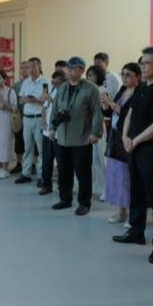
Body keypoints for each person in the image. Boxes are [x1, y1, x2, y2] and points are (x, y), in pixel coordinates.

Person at [113, 48, 153, 263]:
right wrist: (126, 137)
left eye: (147, 63)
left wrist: (136, 140)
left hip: (151, 149)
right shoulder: (141, 88)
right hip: (133, 147)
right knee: (136, 191)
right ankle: (136, 231)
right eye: (142, 63)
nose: (143, 66)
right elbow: (129, 112)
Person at [51, 57, 103, 215]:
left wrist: (95, 133)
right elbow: (55, 109)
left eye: (73, 68)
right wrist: (52, 128)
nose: (69, 71)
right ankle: (65, 199)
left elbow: (97, 113)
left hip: (81, 138)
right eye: (68, 68)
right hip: (62, 137)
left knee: (83, 173)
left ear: (81, 70)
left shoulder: (91, 89)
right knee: (63, 172)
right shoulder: (62, 87)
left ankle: (84, 203)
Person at [103, 62, 140, 224]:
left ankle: (133, 214)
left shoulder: (139, 93)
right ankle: (121, 211)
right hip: (115, 136)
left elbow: (126, 114)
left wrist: (111, 103)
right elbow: (112, 111)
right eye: (122, 74)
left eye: (128, 75)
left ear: (137, 77)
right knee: (116, 175)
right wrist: (107, 104)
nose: (124, 78)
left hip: (129, 137)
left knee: (128, 177)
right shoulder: (123, 90)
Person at [16, 58, 48, 184]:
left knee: (41, 149)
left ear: (39, 67)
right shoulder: (26, 82)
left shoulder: (45, 82)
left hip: (39, 118)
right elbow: (20, 100)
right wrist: (26, 99)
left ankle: (42, 175)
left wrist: (35, 100)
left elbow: (46, 100)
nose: (31, 69)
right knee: (27, 147)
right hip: (27, 118)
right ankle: (26, 173)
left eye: (33, 66)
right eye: (29, 67)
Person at [38, 69, 66, 195]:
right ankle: (46, 185)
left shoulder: (65, 93)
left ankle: (62, 187)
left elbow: (63, 109)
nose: (55, 85)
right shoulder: (52, 90)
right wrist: (43, 120)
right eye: (53, 82)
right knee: (46, 161)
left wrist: (51, 100)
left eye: (57, 83)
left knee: (61, 163)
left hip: (59, 133)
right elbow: (44, 107)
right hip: (47, 132)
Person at [87, 65, 110, 199]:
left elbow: (104, 109)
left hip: (98, 125)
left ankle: (108, 188)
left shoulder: (102, 90)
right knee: (92, 159)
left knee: (102, 158)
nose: (90, 78)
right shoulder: (87, 89)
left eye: (93, 75)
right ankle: (97, 186)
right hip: (87, 126)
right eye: (89, 75)